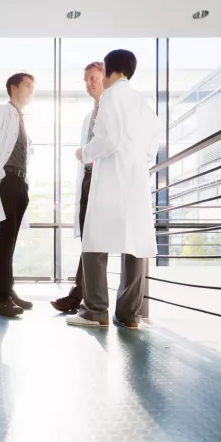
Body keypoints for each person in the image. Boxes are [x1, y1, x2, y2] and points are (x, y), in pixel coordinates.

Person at [65, 49, 160, 329]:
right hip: (136, 181)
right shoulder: (144, 103)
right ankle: (129, 314)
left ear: (108, 70)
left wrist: (85, 152)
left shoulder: (111, 96)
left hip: (111, 180)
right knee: (134, 245)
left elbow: (108, 138)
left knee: (94, 242)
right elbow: (150, 151)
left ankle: (95, 311)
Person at [0, 72, 35, 317]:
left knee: (10, 240)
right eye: (27, 86)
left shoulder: (21, 119)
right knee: (4, 240)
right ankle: (1, 300)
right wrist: (0, 176)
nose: (31, 90)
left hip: (20, 183)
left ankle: (8, 291)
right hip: (6, 180)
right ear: (13, 88)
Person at [52, 61, 105, 313]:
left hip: (101, 180)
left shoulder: (110, 109)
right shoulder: (90, 114)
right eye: (86, 81)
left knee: (94, 242)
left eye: (93, 78)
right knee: (89, 240)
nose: (89, 84)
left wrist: (84, 152)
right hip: (87, 180)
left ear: (105, 77)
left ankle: (79, 298)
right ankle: (79, 296)